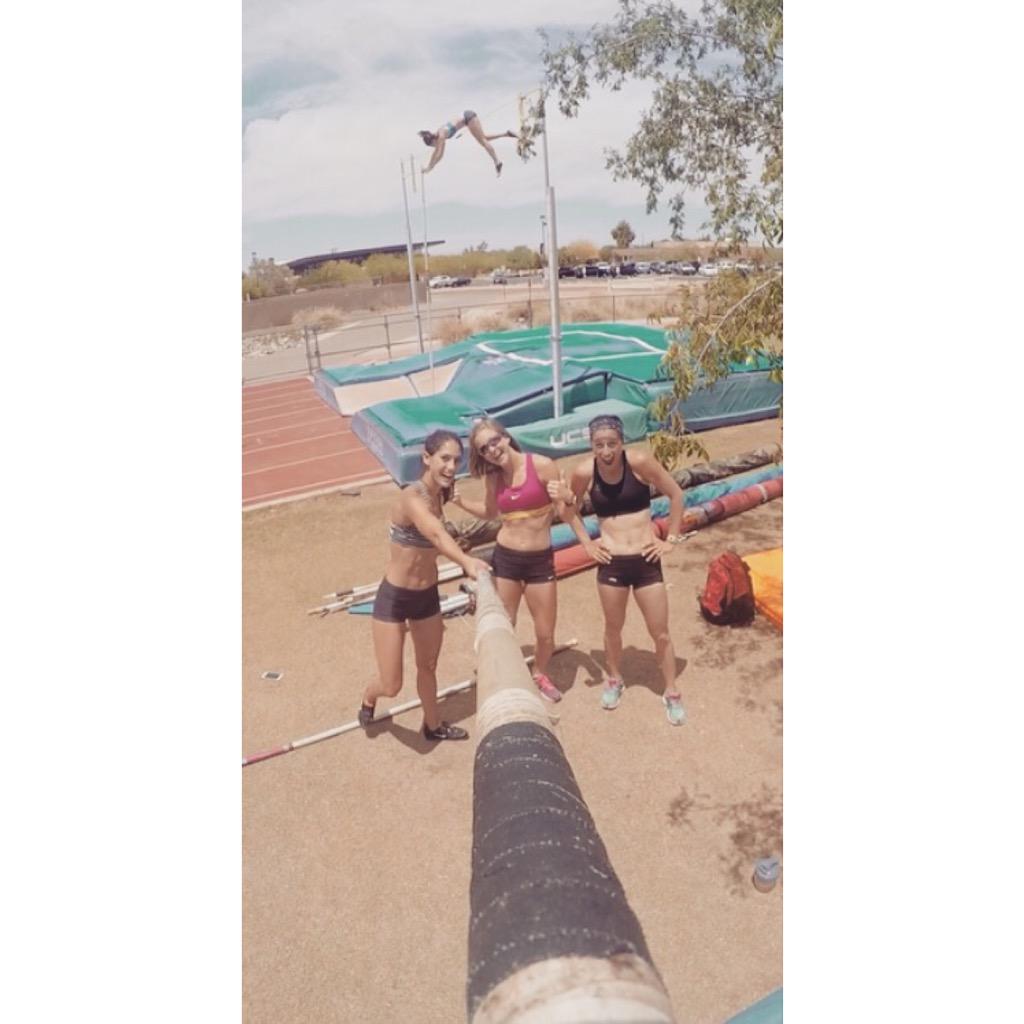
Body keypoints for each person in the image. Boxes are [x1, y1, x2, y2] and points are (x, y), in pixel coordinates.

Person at [550, 415, 690, 726]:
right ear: (591, 445)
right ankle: (614, 679)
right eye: (599, 445)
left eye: (612, 444)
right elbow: (568, 510)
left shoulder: (638, 462)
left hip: (645, 559)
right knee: (613, 628)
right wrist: (586, 543)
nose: (606, 451)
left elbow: (677, 495)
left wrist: (671, 539)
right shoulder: (584, 472)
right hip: (611, 561)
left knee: (660, 632)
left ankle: (671, 690)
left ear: (621, 442)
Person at [357, 430, 490, 741]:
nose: (451, 466)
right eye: (444, 458)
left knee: (428, 666)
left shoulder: (442, 493)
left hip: (427, 596)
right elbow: (435, 534)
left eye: (456, 460)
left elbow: (443, 536)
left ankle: (432, 725)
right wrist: (465, 562)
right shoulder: (411, 496)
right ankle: (369, 697)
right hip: (395, 598)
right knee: (392, 684)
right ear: (427, 458)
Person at [450, 418, 571, 703]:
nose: (492, 450)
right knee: (504, 625)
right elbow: (491, 512)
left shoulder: (542, 466)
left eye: (494, 441)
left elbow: (565, 513)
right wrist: (460, 502)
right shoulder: (494, 478)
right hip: (506, 560)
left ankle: (540, 674)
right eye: (484, 449)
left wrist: (569, 496)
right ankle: (500, 671)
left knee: (545, 632)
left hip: (540, 561)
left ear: (505, 437)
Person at [418, 109, 517, 177]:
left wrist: (429, 167)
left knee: (483, 141)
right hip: (467, 119)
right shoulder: (440, 137)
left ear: (433, 140)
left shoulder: (441, 135)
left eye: (433, 145)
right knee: (484, 139)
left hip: (468, 117)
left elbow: (438, 153)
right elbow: (439, 155)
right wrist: (430, 167)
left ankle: (497, 162)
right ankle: (507, 134)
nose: (434, 146)